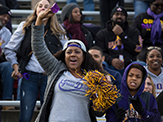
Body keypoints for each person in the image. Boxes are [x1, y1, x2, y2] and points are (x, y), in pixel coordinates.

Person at [4, 0, 68, 122]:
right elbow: (9, 49)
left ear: (51, 11)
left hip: (50, 77)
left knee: (48, 116)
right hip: (29, 76)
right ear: (35, 9)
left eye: (46, 6)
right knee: (26, 116)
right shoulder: (25, 25)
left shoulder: (58, 29)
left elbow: (67, 50)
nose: (43, 8)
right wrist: (15, 66)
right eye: (40, 6)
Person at [95, 6, 142, 75]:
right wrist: (111, 60)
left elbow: (136, 50)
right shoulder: (102, 34)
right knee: (102, 64)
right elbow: (99, 52)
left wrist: (122, 35)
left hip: (129, 65)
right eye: (116, 14)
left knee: (142, 64)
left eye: (122, 15)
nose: (119, 16)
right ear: (111, 17)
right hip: (110, 65)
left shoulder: (133, 32)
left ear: (126, 18)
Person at [0, 5, 14, 110]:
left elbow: (8, 53)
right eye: (3, 16)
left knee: (8, 66)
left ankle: (7, 101)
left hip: (0, 62)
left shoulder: (7, 33)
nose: (5, 19)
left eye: (8, 18)